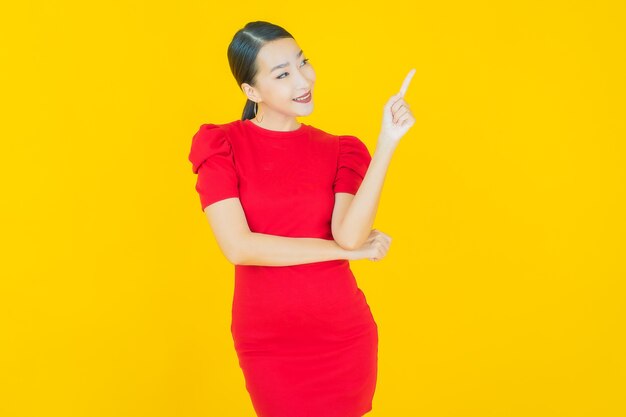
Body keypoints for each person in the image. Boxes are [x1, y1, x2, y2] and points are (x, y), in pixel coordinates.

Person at [188, 20, 415, 417]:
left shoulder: (340, 149)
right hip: (270, 341)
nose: (302, 79)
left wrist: (387, 143)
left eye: (302, 62)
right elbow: (240, 247)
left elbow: (349, 236)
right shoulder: (222, 145)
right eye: (282, 74)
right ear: (251, 91)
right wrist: (353, 253)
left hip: (342, 334)